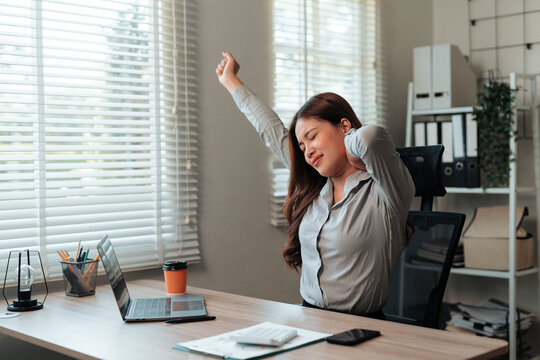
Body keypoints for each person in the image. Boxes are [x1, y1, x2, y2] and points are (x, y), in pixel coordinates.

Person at [216, 52, 415, 319]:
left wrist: (352, 147)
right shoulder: (316, 187)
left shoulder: (385, 190)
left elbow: (371, 137)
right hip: (308, 319)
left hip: (360, 328)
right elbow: (272, 131)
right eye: (302, 145)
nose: (307, 151)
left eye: (312, 137)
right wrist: (230, 80)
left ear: (344, 126)